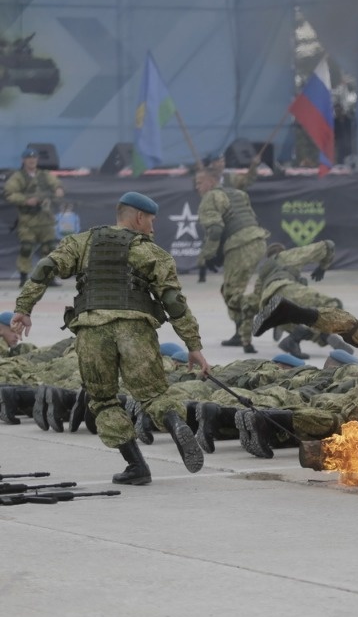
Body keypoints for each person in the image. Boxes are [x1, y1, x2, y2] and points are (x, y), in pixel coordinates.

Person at [11, 191, 211, 485]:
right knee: (153, 393)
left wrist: (23, 309)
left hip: (92, 331)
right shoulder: (151, 252)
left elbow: (45, 268)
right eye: (151, 221)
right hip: (135, 330)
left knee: (103, 400)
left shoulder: (81, 242)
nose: (152, 229)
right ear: (139, 217)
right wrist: (193, 346)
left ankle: (136, 466)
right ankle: (173, 421)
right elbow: (173, 301)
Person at [195, 168, 269, 352]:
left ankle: (266, 312)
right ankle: (242, 330)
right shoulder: (238, 193)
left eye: (199, 183)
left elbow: (215, 230)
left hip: (241, 246)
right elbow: (253, 219)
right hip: (259, 242)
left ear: (211, 182)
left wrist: (208, 255)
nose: (197, 187)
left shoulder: (210, 197)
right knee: (232, 288)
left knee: (231, 293)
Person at [3, 147, 65, 287]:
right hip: (28, 220)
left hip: (45, 219)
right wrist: (25, 200)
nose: (32, 161)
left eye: (34, 158)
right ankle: (24, 277)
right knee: (26, 248)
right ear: (23, 160)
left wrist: (58, 188)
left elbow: (55, 183)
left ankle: (48, 277)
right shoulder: (18, 177)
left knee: (49, 248)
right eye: (29, 158)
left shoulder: (44, 175)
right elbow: (9, 194)